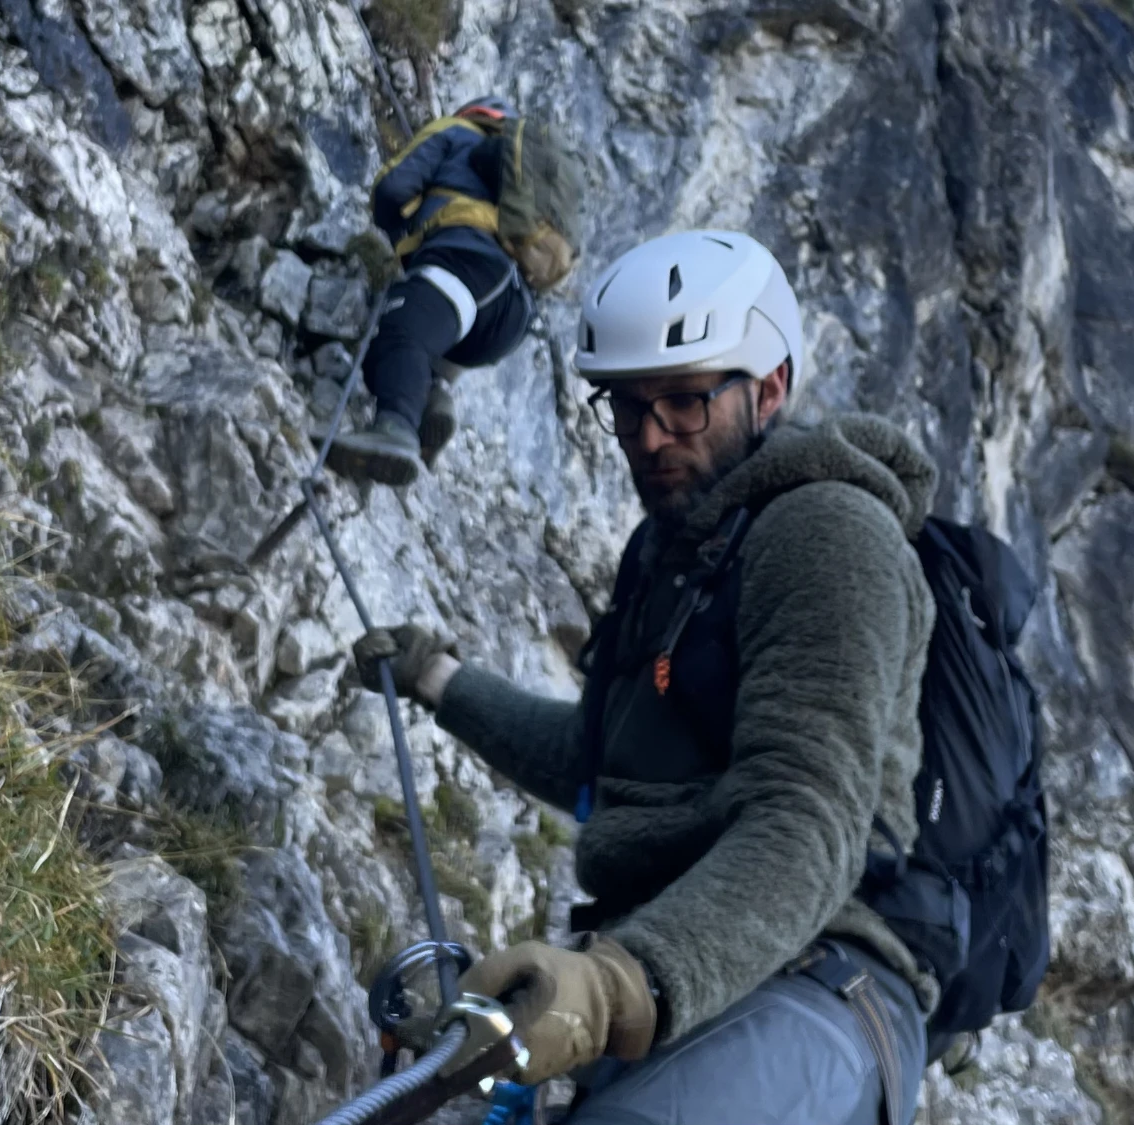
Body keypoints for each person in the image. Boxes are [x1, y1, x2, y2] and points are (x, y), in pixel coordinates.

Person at [352, 229, 938, 1124]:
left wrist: (614, 984)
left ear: (769, 388)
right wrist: (439, 678)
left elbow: (806, 817)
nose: (651, 437)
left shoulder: (829, 533)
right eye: (628, 408)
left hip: (817, 981)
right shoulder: (671, 553)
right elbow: (599, 758)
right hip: (679, 976)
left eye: (686, 403)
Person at [320, 96, 537, 487]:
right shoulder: (525, 179)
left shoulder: (454, 130)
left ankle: (396, 430)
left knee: (401, 330)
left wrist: (398, 239)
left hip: (465, 260)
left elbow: (392, 188)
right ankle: (435, 394)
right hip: (514, 311)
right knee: (419, 341)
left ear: (472, 112)